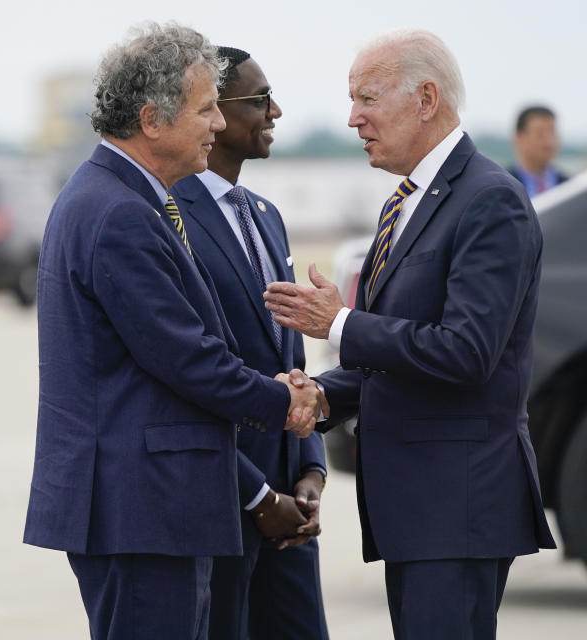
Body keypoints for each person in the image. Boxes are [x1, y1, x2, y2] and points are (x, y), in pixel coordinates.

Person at [23, 22, 324, 640]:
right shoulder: (120, 214)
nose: (217, 125)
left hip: (149, 506)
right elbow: (187, 358)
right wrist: (286, 402)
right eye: (206, 108)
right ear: (152, 120)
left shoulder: (119, 199)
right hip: (140, 509)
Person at [263, 28, 556, 639]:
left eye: (367, 98)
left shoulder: (489, 201)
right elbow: (391, 363)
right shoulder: (407, 201)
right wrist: (319, 396)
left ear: (425, 98)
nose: (352, 119)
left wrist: (339, 322)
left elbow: (466, 352)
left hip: (458, 506)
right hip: (418, 510)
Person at [170, 47, 329, 640]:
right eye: (259, 100)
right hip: (226, 505)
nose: (276, 111)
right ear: (212, 113)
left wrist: (309, 472)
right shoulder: (168, 216)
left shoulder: (265, 214)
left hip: (292, 510)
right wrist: (257, 496)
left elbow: (289, 359)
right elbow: (186, 371)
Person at [507, 105, 568, 198]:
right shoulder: (504, 185)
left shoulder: (568, 186)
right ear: (519, 138)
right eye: (540, 134)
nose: (549, 142)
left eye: (553, 133)